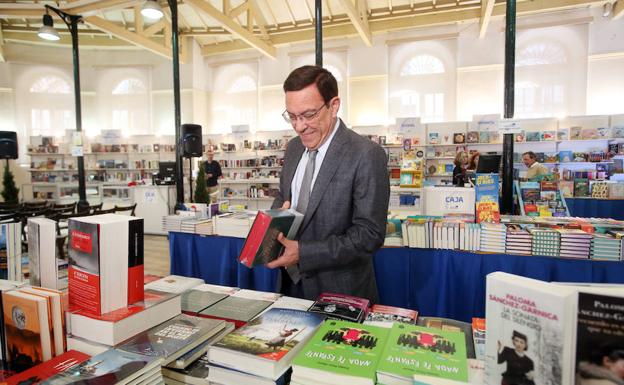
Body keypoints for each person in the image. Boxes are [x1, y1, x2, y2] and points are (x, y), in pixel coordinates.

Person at [266, 65, 390, 303]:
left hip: (339, 292)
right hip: (289, 285)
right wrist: (274, 222)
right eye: (292, 116)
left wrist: (304, 253)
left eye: (309, 115)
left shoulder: (365, 154)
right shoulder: (293, 148)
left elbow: (369, 235)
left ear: (334, 106)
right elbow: (284, 196)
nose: (299, 126)